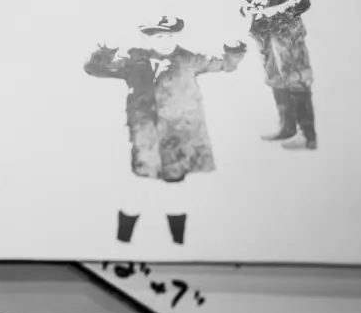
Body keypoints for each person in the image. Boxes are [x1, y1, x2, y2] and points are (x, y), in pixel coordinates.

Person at [83, 16, 247, 245]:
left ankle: (178, 242)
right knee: (139, 187)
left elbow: (225, 63)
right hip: (145, 136)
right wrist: (108, 47)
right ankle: (122, 241)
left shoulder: (188, 59)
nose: (166, 42)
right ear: (147, 39)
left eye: (170, 36)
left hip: (178, 138)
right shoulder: (133, 59)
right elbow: (94, 68)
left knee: (175, 190)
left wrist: (234, 46)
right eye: (159, 37)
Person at [240, 0, 316, 149]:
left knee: (296, 77)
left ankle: (306, 134)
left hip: (286, 34)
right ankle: (286, 127)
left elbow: (301, 2)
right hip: (263, 33)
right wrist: (246, 7)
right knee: (274, 76)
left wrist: (273, 10)